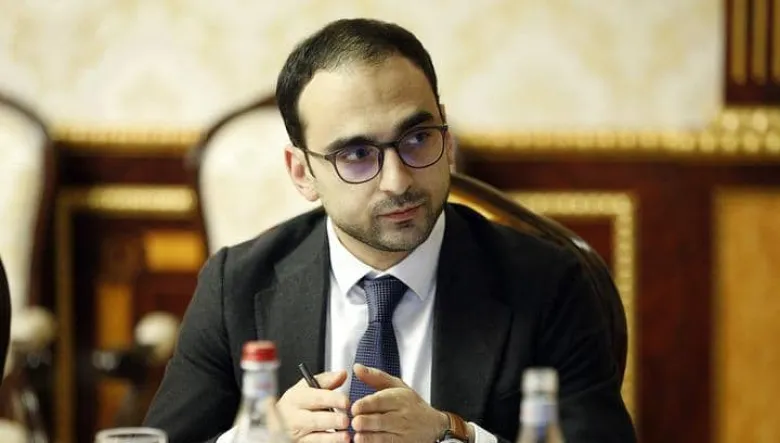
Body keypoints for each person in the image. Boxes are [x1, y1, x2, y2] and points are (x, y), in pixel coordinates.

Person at [143, 18, 636, 443]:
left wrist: (452, 433)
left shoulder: (547, 282)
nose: (398, 181)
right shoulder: (237, 283)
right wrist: (260, 434)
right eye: (357, 155)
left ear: (447, 138)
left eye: (418, 138)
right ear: (302, 173)